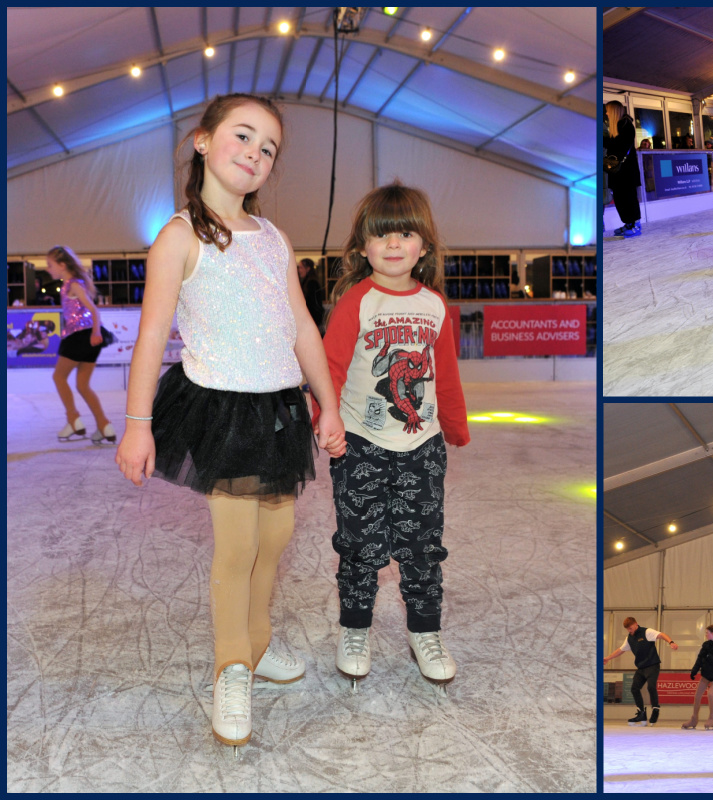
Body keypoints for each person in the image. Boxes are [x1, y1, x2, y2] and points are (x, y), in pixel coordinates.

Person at [114, 93, 347, 749]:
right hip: (222, 409)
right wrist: (137, 424)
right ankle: (232, 665)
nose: (254, 152)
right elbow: (152, 335)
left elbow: (302, 326)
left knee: (275, 541)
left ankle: (258, 638)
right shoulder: (180, 236)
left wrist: (327, 402)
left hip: (278, 409)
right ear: (202, 141)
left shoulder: (273, 238)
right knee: (238, 548)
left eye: (268, 147)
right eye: (243, 136)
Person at [317, 181, 470, 691]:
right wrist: (326, 419)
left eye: (405, 234)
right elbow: (331, 367)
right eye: (381, 236)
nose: (393, 245)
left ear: (424, 245)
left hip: (421, 446)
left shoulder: (434, 306)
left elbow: (444, 372)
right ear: (363, 247)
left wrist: (454, 424)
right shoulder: (357, 302)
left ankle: (424, 632)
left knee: (423, 544)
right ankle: (354, 630)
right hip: (360, 441)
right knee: (360, 545)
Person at [45, 245, 115, 444]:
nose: (48, 269)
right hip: (87, 338)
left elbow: (94, 310)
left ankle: (73, 419)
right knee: (82, 385)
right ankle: (103, 425)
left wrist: (95, 331)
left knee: (59, 377)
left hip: (80, 336)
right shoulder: (71, 284)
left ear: (62, 264)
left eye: (50, 265)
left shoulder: (73, 284)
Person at [602, 617, 679, 727]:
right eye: (628, 629)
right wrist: (608, 658)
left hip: (652, 665)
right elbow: (621, 650)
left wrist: (671, 642)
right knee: (634, 688)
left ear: (636, 624)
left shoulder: (646, 632)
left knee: (651, 687)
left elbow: (661, 635)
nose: (630, 630)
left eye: (631, 628)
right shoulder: (629, 638)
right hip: (641, 668)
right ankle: (641, 713)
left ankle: (656, 709)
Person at [603, 100, 642, 237]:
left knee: (629, 197)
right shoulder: (618, 126)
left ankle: (636, 224)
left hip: (626, 170)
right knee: (620, 199)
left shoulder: (625, 125)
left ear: (614, 111)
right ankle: (628, 223)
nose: (606, 113)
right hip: (618, 171)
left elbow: (619, 145)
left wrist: (604, 140)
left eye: (608, 110)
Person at [682, 625, 713, 731]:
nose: (706, 634)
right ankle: (694, 719)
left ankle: (712, 718)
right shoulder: (706, 645)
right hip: (706, 674)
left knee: (711, 695)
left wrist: (709, 657)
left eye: (707, 632)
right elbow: (700, 658)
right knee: (697, 696)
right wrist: (694, 670)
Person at [297, 257, 325, 331]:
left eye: (301, 268)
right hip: (313, 318)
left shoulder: (311, 283)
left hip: (311, 318)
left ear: (308, 269)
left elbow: (309, 303)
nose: (299, 270)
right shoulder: (311, 281)